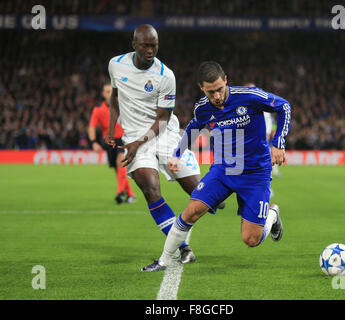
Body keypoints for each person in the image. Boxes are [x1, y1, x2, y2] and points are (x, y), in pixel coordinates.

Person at [141, 61, 291, 272]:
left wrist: (278, 144)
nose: (217, 96)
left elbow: (284, 106)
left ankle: (272, 215)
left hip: (255, 173)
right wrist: (177, 154)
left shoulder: (249, 96)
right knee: (192, 211)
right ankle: (164, 260)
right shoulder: (203, 107)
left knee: (251, 239)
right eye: (211, 92)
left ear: (226, 81)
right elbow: (195, 126)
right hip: (224, 169)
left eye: (220, 89)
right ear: (201, 88)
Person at [105, 24, 223, 264]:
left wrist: (139, 142)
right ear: (134, 45)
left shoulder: (165, 75)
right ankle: (183, 248)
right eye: (146, 45)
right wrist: (111, 129)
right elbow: (115, 97)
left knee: (205, 196)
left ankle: (230, 198)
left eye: (154, 45)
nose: (151, 50)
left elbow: (162, 119)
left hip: (165, 135)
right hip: (134, 138)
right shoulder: (116, 64)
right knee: (150, 188)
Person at [88, 83, 136, 204]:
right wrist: (93, 142)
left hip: (123, 139)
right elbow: (92, 126)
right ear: (103, 94)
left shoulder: (123, 106)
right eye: (107, 91)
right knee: (118, 170)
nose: (110, 94)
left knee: (120, 164)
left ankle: (120, 193)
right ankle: (130, 195)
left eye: (111, 91)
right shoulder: (98, 110)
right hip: (109, 141)